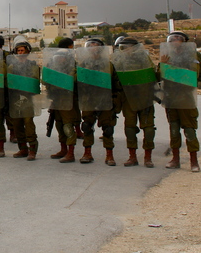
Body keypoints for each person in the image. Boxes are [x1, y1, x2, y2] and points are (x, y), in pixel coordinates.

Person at [111, 37, 157, 168]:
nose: (126, 50)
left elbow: (153, 76)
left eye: (129, 47)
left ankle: (148, 157)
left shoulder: (144, 60)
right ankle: (132, 156)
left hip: (145, 98)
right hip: (127, 99)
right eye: (123, 48)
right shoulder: (117, 61)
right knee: (130, 128)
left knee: (148, 129)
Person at [160, 31, 200, 172]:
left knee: (189, 130)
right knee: (174, 130)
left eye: (178, 39)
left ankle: (194, 161)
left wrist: (171, 68)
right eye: (172, 40)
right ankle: (175, 159)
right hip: (171, 97)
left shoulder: (192, 57)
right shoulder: (166, 56)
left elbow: (194, 75)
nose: (175, 42)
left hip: (186, 98)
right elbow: (159, 76)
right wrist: (162, 65)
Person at [77, 39, 119, 166]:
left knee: (108, 129)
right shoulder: (83, 64)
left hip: (105, 100)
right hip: (89, 100)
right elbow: (79, 82)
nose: (93, 49)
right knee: (87, 127)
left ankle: (109, 155)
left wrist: (115, 101)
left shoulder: (108, 65)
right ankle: (87, 153)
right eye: (90, 47)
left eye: (96, 47)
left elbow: (115, 84)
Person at [6, 38, 40, 160]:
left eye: (22, 50)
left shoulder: (32, 65)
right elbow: (8, 81)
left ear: (27, 51)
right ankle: (23, 149)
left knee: (28, 124)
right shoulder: (11, 66)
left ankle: (32, 150)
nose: (20, 53)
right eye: (18, 51)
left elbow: (34, 79)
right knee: (17, 125)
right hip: (15, 98)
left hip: (27, 98)